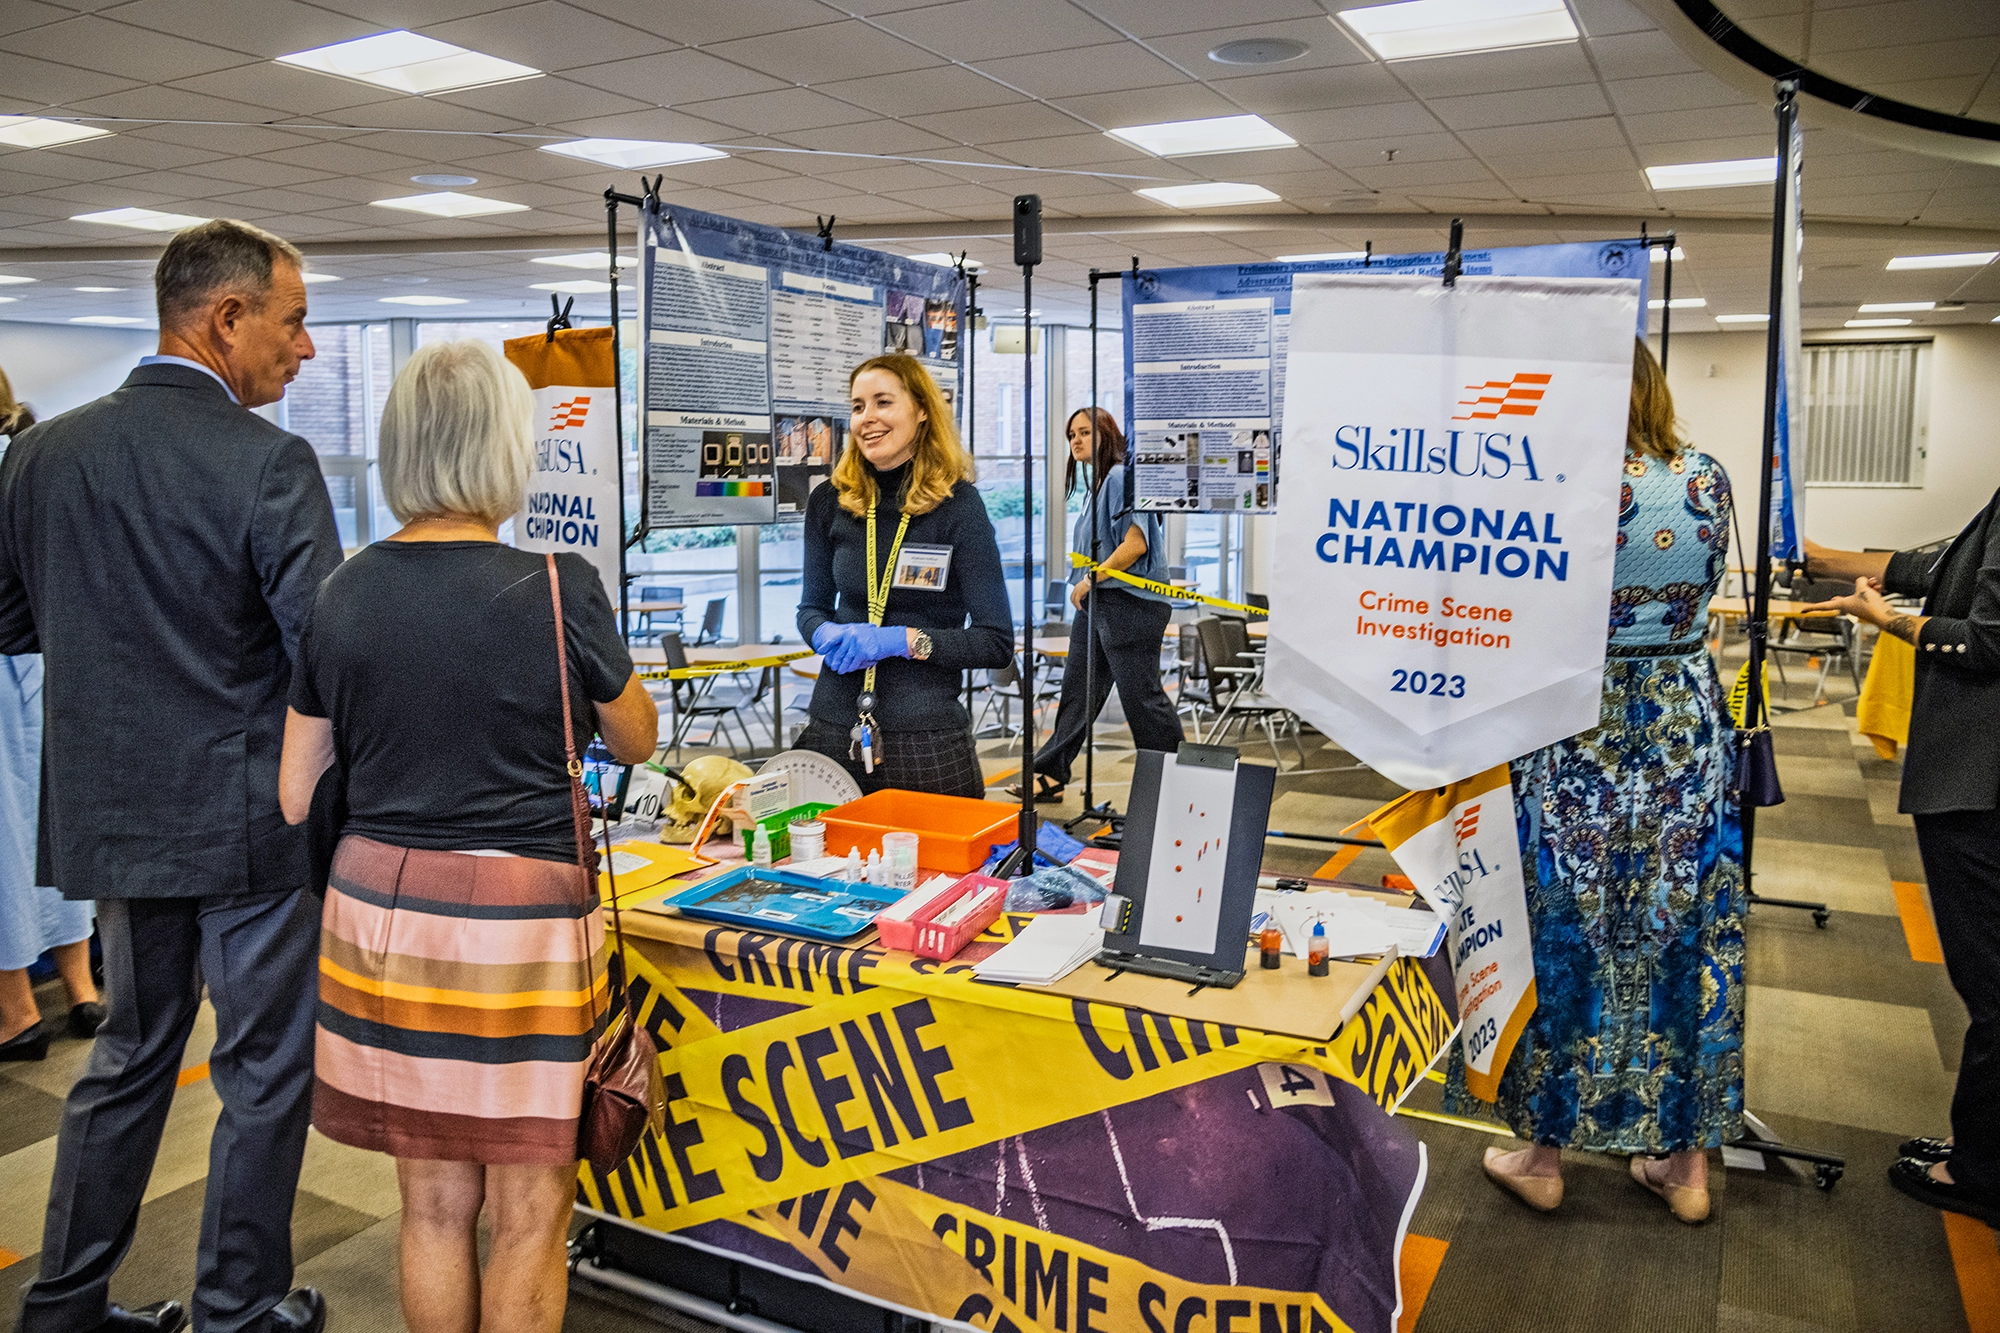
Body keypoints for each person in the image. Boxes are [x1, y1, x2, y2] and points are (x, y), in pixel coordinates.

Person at [0, 220, 341, 1333]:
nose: (305, 348)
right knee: (261, 1068)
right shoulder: (270, 462)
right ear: (226, 318)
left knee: (129, 1057)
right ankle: (236, 1309)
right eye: (293, 322)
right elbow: (322, 654)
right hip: (249, 822)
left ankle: (62, 1307)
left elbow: (11, 621)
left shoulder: (40, 455)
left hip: (112, 815)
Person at [278, 338, 657, 1333]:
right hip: (520, 920)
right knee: (530, 1209)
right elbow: (637, 737)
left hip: (381, 915)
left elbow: (294, 793)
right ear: (503, 446)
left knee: (434, 1202)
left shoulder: (342, 590)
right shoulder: (557, 583)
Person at [1456, 339, 1743, 1225]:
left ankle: (1543, 1157)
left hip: (1578, 724)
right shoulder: (1709, 478)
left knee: (1565, 930)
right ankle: (1686, 1166)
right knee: (1686, 928)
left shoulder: (1561, 484)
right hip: (1684, 724)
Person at [1803, 506, 2000, 1225]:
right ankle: (1981, 1140)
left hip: (1981, 783)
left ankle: (1981, 1171)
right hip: (1975, 777)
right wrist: (1825, 559)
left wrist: (1887, 620)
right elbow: (1945, 565)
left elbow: (1986, 641)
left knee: (1991, 983)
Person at [796, 353, 1012, 797]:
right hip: (833, 730)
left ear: (922, 411)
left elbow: (995, 641)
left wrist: (904, 641)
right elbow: (810, 609)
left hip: (926, 741)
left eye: (883, 402)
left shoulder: (958, 506)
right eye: (858, 407)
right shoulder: (830, 501)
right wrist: (823, 634)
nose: (867, 418)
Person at [0, 378, 101, 1062]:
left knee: (6, 841)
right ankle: (82, 988)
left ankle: (16, 1013)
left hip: (8, 661)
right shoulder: (35, 457)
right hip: (43, 663)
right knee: (46, 825)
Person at [1018, 408, 1184, 802]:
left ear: (1106, 434)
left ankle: (1180, 782)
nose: (1075, 441)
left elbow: (1135, 544)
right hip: (1101, 603)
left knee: (1141, 698)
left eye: (1084, 432)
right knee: (1078, 690)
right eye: (1071, 434)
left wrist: (1091, 578)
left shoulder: (1119, 477)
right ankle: (1051, 773)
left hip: (1129, 604)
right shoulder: (1098, 486)